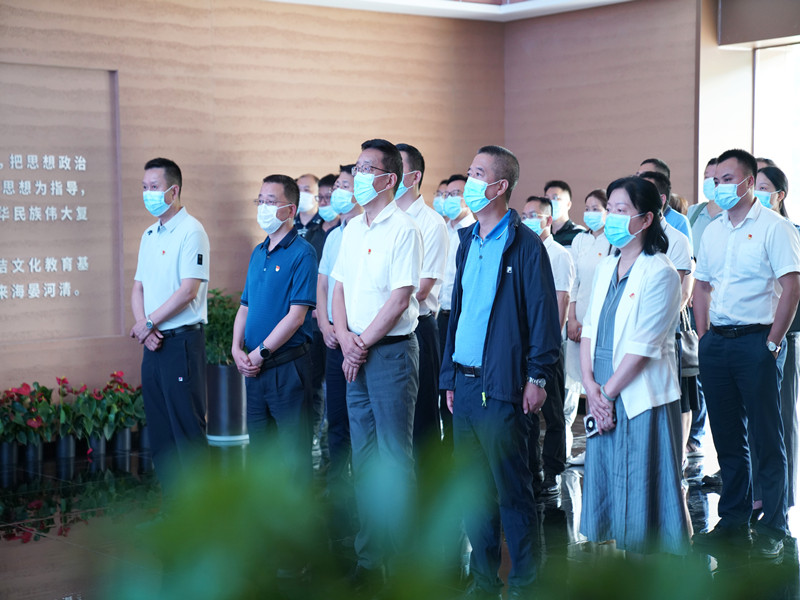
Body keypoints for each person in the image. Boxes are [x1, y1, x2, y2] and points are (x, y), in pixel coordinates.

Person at [440, 145, 561, 598]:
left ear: (499, 186)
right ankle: (483, 581)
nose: (469, 182)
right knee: (473, 494)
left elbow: (543, 318)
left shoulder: (525, 246)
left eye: (477, 174)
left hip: (505, 387)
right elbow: (458, 315)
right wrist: (450, 377)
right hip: (465, 384)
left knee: (513, 493)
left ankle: (527, 584)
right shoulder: (467, 241)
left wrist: (538, 376)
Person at [692, 149, 800, 559]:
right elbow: (702, 285)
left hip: (757, 341)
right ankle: (734, 519)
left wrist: (772, 342)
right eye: (716, 179)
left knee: (767, 437)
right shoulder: (713, 230)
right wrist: (704, 336)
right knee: (727, 437)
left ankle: (774, 524)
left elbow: (792, 286)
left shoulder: (775, 227)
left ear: (749, 182)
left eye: (727, 178)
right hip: (717, 343)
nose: (719, 186)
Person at [330, 139, 422, 592]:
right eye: (358, 166)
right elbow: (338, 287)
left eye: (368, 169)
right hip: (356, 353)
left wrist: (360, 344)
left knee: (393, 459)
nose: (358, 175)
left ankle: (404, 563)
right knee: (363, 459)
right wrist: (345, 337)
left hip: (390, 354)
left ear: (389, 179)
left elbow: (401, 298)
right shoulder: (352, 228)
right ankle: (370, 558)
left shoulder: (404, 229)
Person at [579, 175, 688, 555]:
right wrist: (590, 387)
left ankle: (650, 566)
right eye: (609, 209)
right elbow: (589, 328)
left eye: (621, 210)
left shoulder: (661, 271)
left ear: (646, 219)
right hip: (601, 387)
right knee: (608, 480)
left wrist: (605, 396)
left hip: (638, 392)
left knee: (642, 484)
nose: (611, 217)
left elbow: (644, 346)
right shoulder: (607, 266)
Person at [131, 157, 210, 491]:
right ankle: (172, 508)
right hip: (154, 345)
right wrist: (144, 326)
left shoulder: (192, 231)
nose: (148, 193)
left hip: (181, 344)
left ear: (173, 191)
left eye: (154, 187)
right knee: (161, 432)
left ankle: (202, 512)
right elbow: (138, 287)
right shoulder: (149, 234)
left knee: (187, 431)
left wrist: (148, 323)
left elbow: (188, 291)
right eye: (144, 187)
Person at [232, 174, 317, 482]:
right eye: (261, 201)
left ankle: (299, 515)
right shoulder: (258, 252)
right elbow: (245, 306)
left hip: (287, 367)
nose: (263, 208)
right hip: (256, 371)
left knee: (294, 458)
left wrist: (260, 353)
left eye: (271, 202)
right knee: (260, 456)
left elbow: (296, 317)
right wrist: (236, 348)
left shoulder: (303, 253)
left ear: (290, 209)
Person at [395, 143, 449, 458]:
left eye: (397, 167)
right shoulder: (384, 219)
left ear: (414, 176)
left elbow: (422, 289)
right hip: (385, 327)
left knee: (422, 417)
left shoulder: (432, 223)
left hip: (418, 326)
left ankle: (428, 483)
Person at [317, 164, 361, 546]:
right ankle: (336, 486)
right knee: (336, 418)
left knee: (360, 420)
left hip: (357, 340)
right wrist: (325, 326)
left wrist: (344, 332)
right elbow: (323, 285)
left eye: (345, 185)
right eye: (337, 187)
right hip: (332, 337)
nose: (338, 193)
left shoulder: (365, 232)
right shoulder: (334, 235)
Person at [521, 195, 575, 496]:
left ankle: (553, 471)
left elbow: (561, 300)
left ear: (548, 220)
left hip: (548, 344)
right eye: (524, 215)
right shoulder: (524, 249)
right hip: (525, 342)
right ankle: (532, 469)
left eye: (534, 215)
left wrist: (550, 343)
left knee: (553, 412)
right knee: (526, 410)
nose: (527, 220)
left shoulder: (559, 254)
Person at [753, 165, 799, 509]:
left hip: (783, 336)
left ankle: (780, 498)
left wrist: (777, 338)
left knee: (780, 417)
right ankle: (756, 494)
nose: (755, 192)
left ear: (779, 195)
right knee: (752, 419)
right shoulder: (745, 232)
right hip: (748, 334)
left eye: (763, 186)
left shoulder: (792, 232)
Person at [565, 189, 612, 465]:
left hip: (600, 322)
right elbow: (574, 282)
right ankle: (585, 445)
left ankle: (601, 446)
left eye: (596, 208)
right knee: (579, 386)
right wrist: (571, 318)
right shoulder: (580, 239)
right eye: (587, 208)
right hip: (578, 320)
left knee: (599, 384)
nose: (590, 213)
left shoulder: (613, 240)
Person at [438, 174, 474, 454]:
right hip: (441, 316)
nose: (450, 199)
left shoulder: (472, 232)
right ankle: (446, 449)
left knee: (459, 389)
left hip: (462, 317)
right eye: (447, 194)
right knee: (442, 389)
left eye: (456, 193)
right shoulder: (444, 229)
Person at [636, 159, 692, 241]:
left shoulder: (679, 221)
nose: (639, 180)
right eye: (638, 175)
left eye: (646, 175)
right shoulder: (634, 217)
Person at [545, 179, 586, 247]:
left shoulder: (579, 233)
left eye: (555, 198)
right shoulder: (543, 234)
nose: (550, 202)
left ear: (568, 204)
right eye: (547, 199)